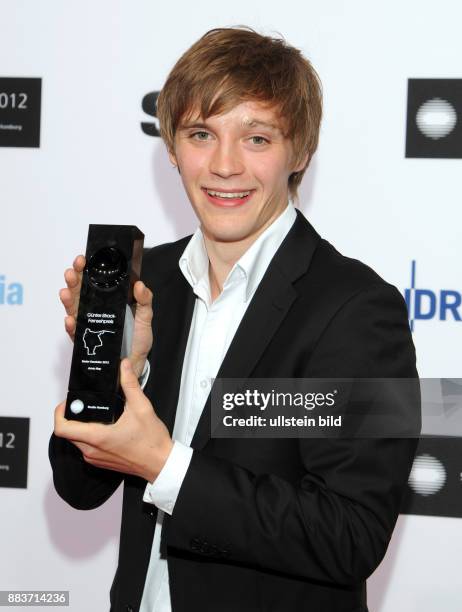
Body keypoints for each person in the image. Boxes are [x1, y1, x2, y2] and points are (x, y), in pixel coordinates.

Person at [49, 27, 420, 612]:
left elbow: (350, 536)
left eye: (256, 137)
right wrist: (115, 370)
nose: (224, 165)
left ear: (299, 151)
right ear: (171, 147)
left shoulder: (358, 309)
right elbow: (77, 488)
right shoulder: (149, 284)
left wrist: (165, 466)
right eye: (202, 134)